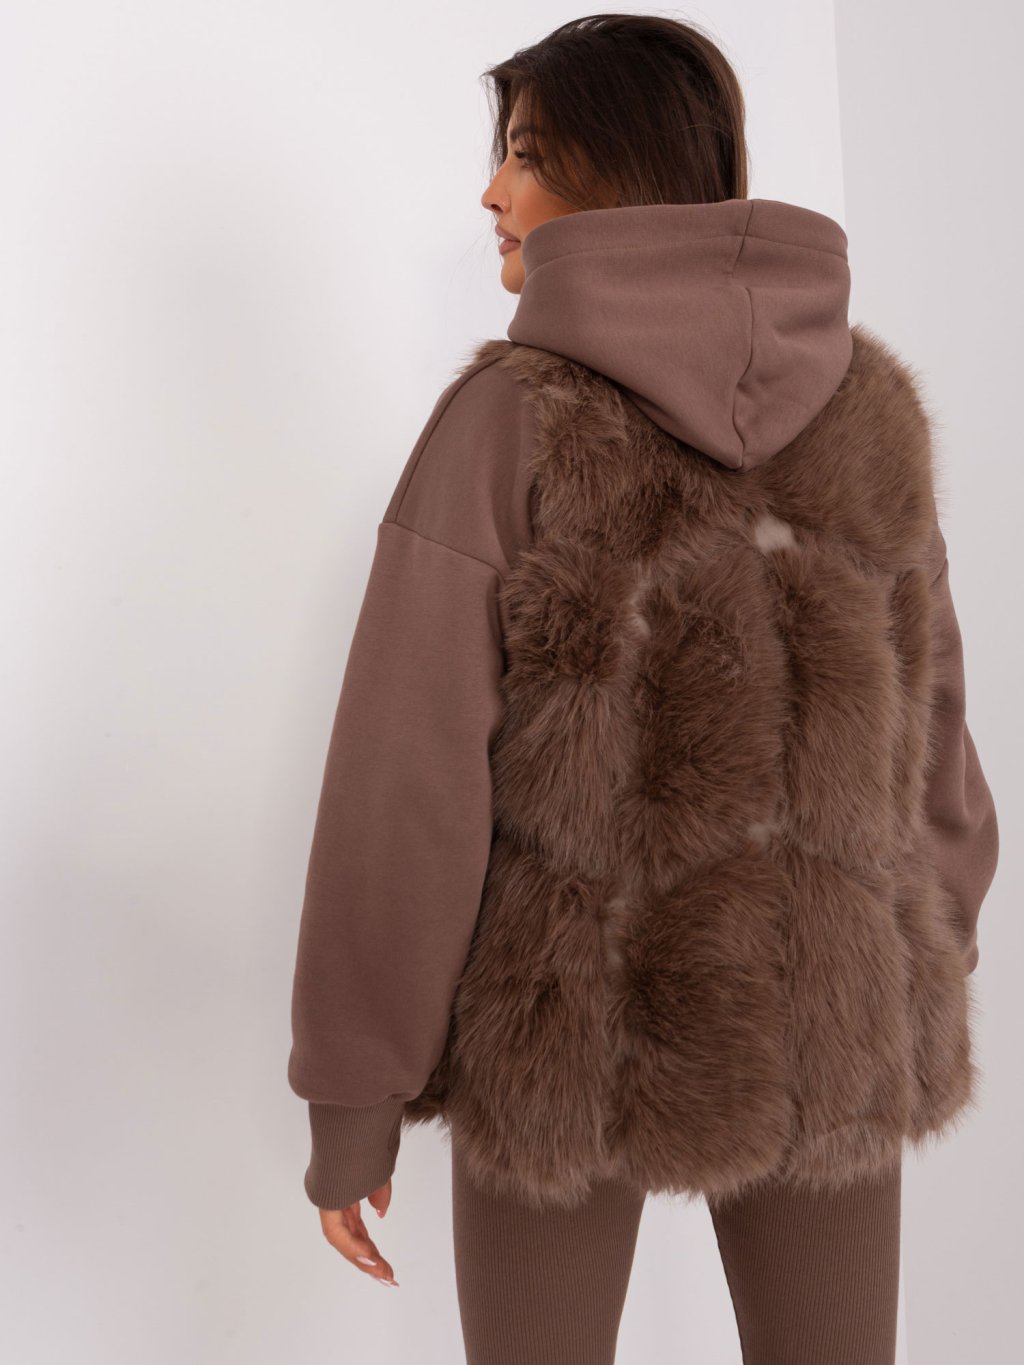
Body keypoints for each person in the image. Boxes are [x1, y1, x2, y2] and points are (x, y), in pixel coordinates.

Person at [286, 14, 999, 1363]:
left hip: (562, 1026)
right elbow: (937, 735)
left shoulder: (507, 423)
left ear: (614, 172)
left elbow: (407, 781)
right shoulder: (869, 413)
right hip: (831, 1007)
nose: (491, 192)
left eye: (525, 153)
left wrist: (355, 1098)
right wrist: (921, 943)